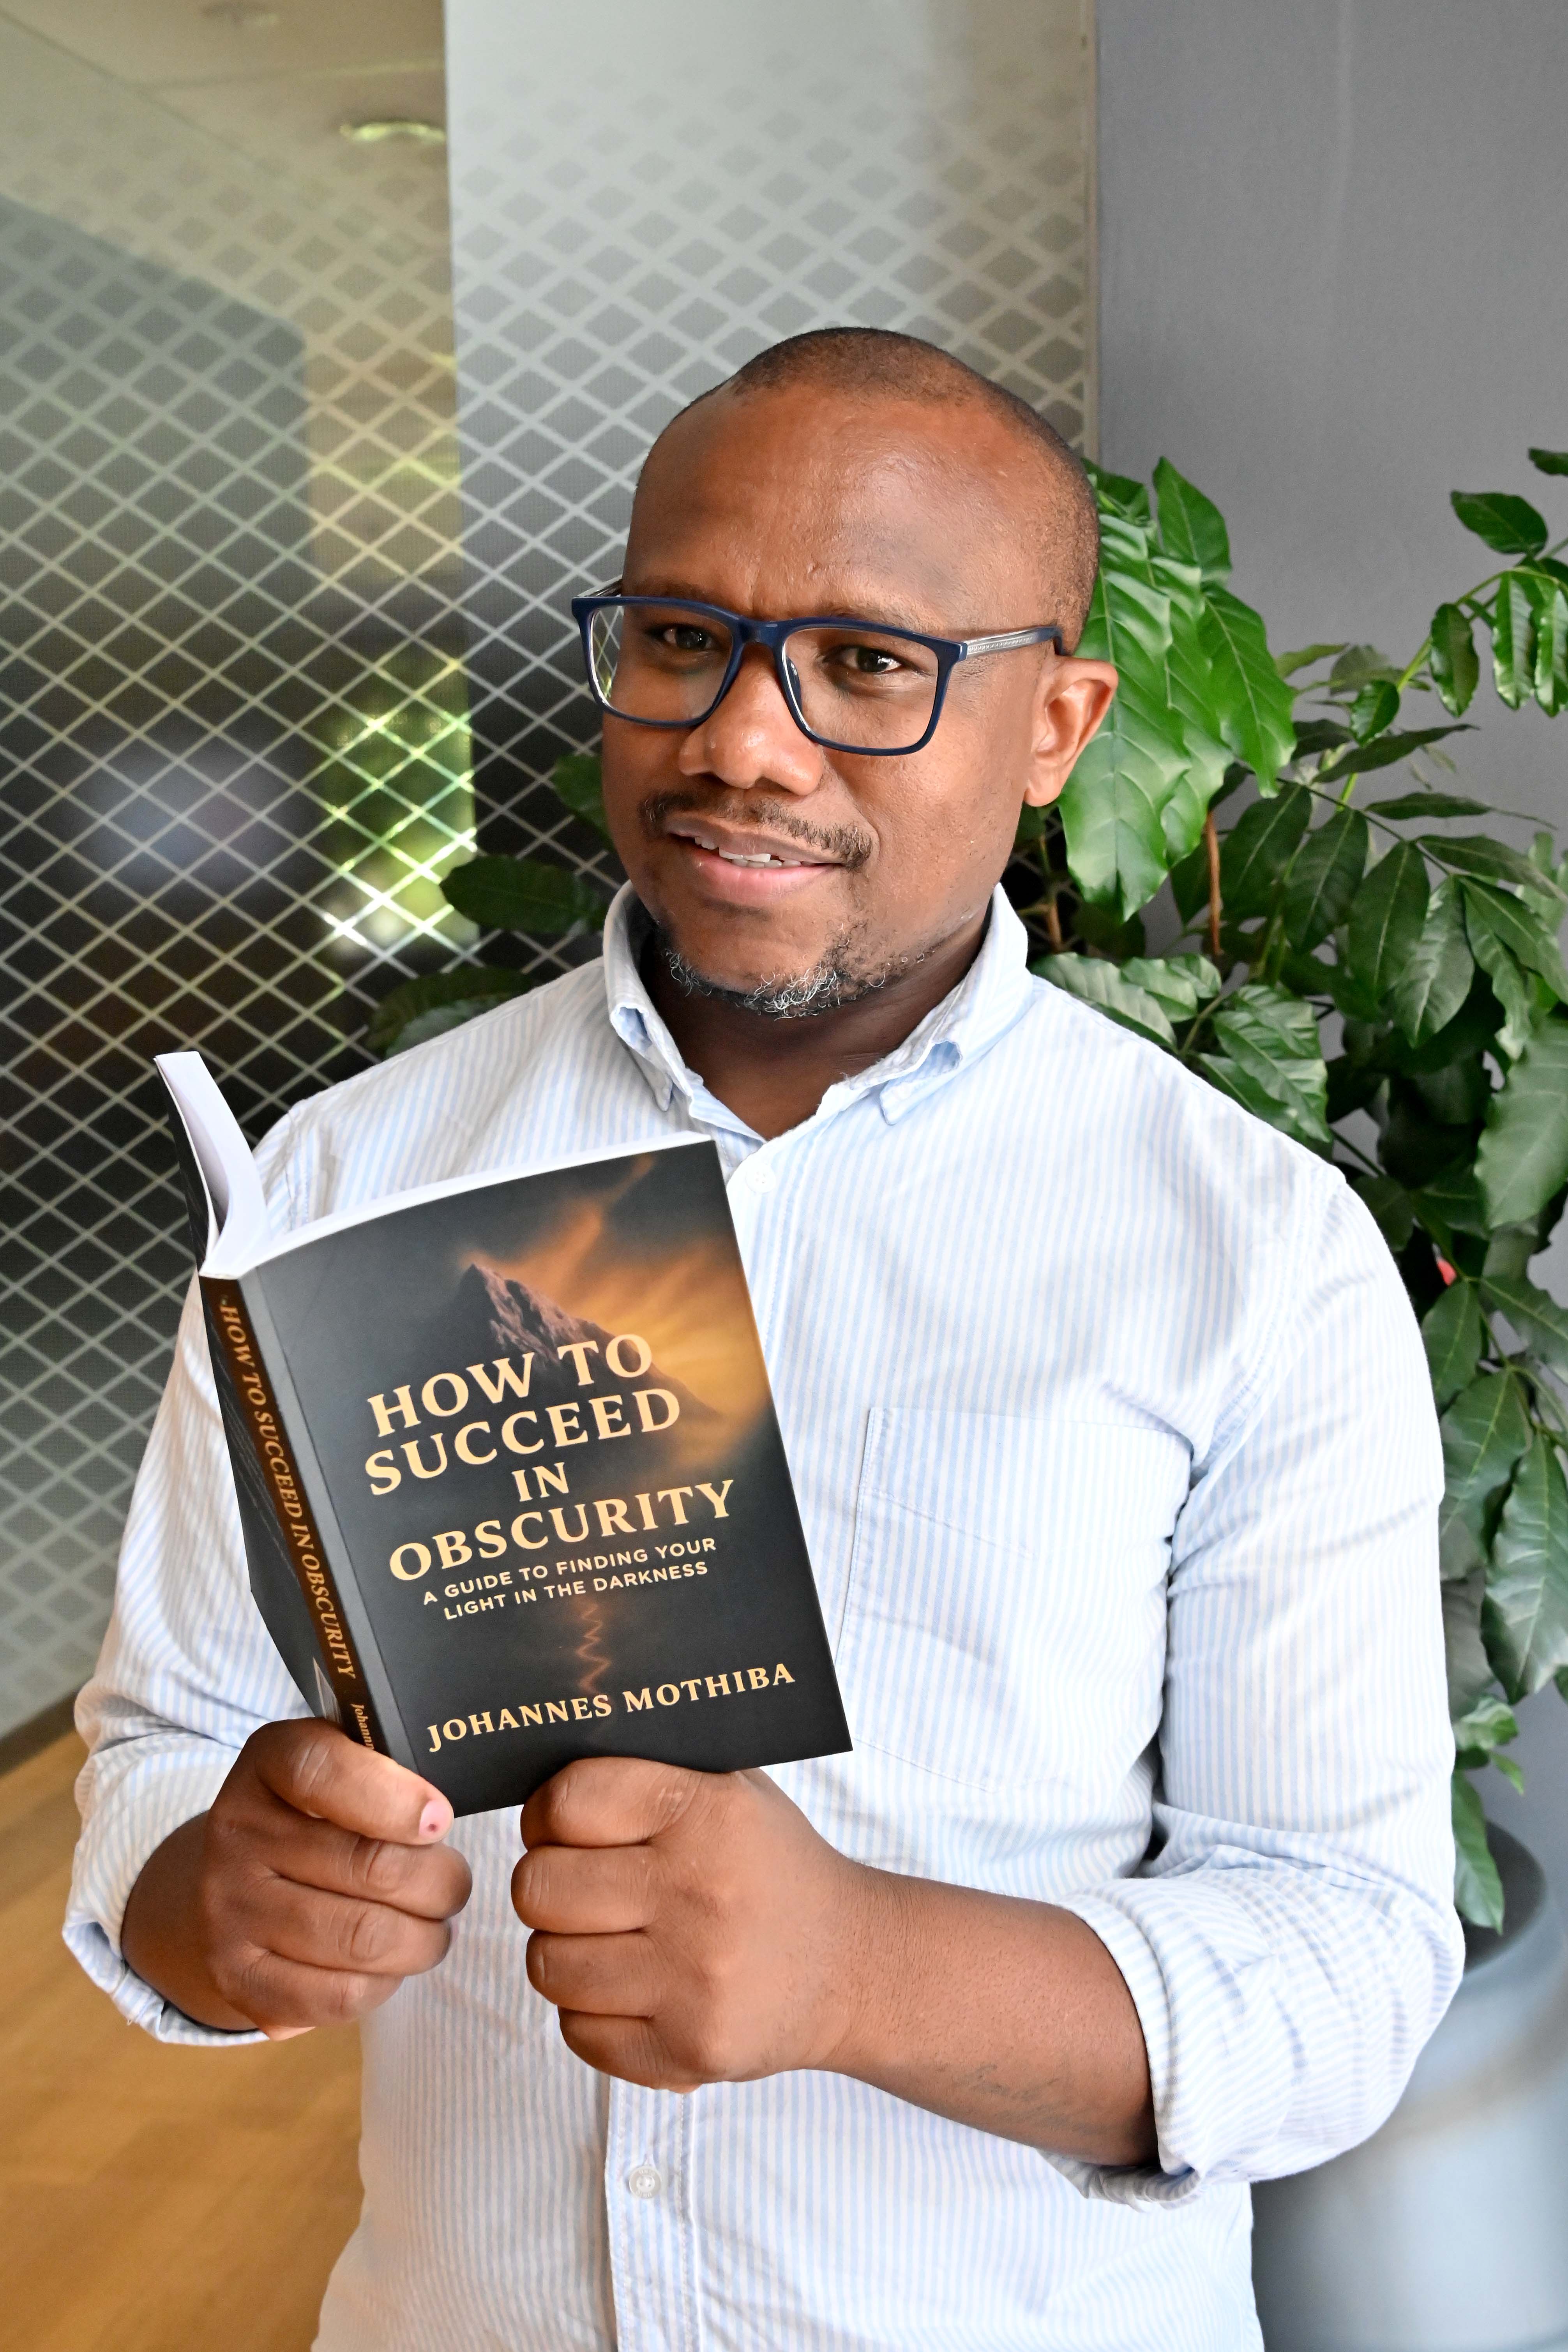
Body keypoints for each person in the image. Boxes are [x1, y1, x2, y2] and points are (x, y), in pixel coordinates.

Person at [67, 328, 1461, 2352]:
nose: (748, 738)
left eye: (870, 665)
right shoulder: (349, 1175)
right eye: (681, 636)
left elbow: (1338, 1966)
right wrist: (228, 1888)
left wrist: (857, 1968)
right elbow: (159, 1760)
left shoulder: (1243, 1254)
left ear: (1057, 721)